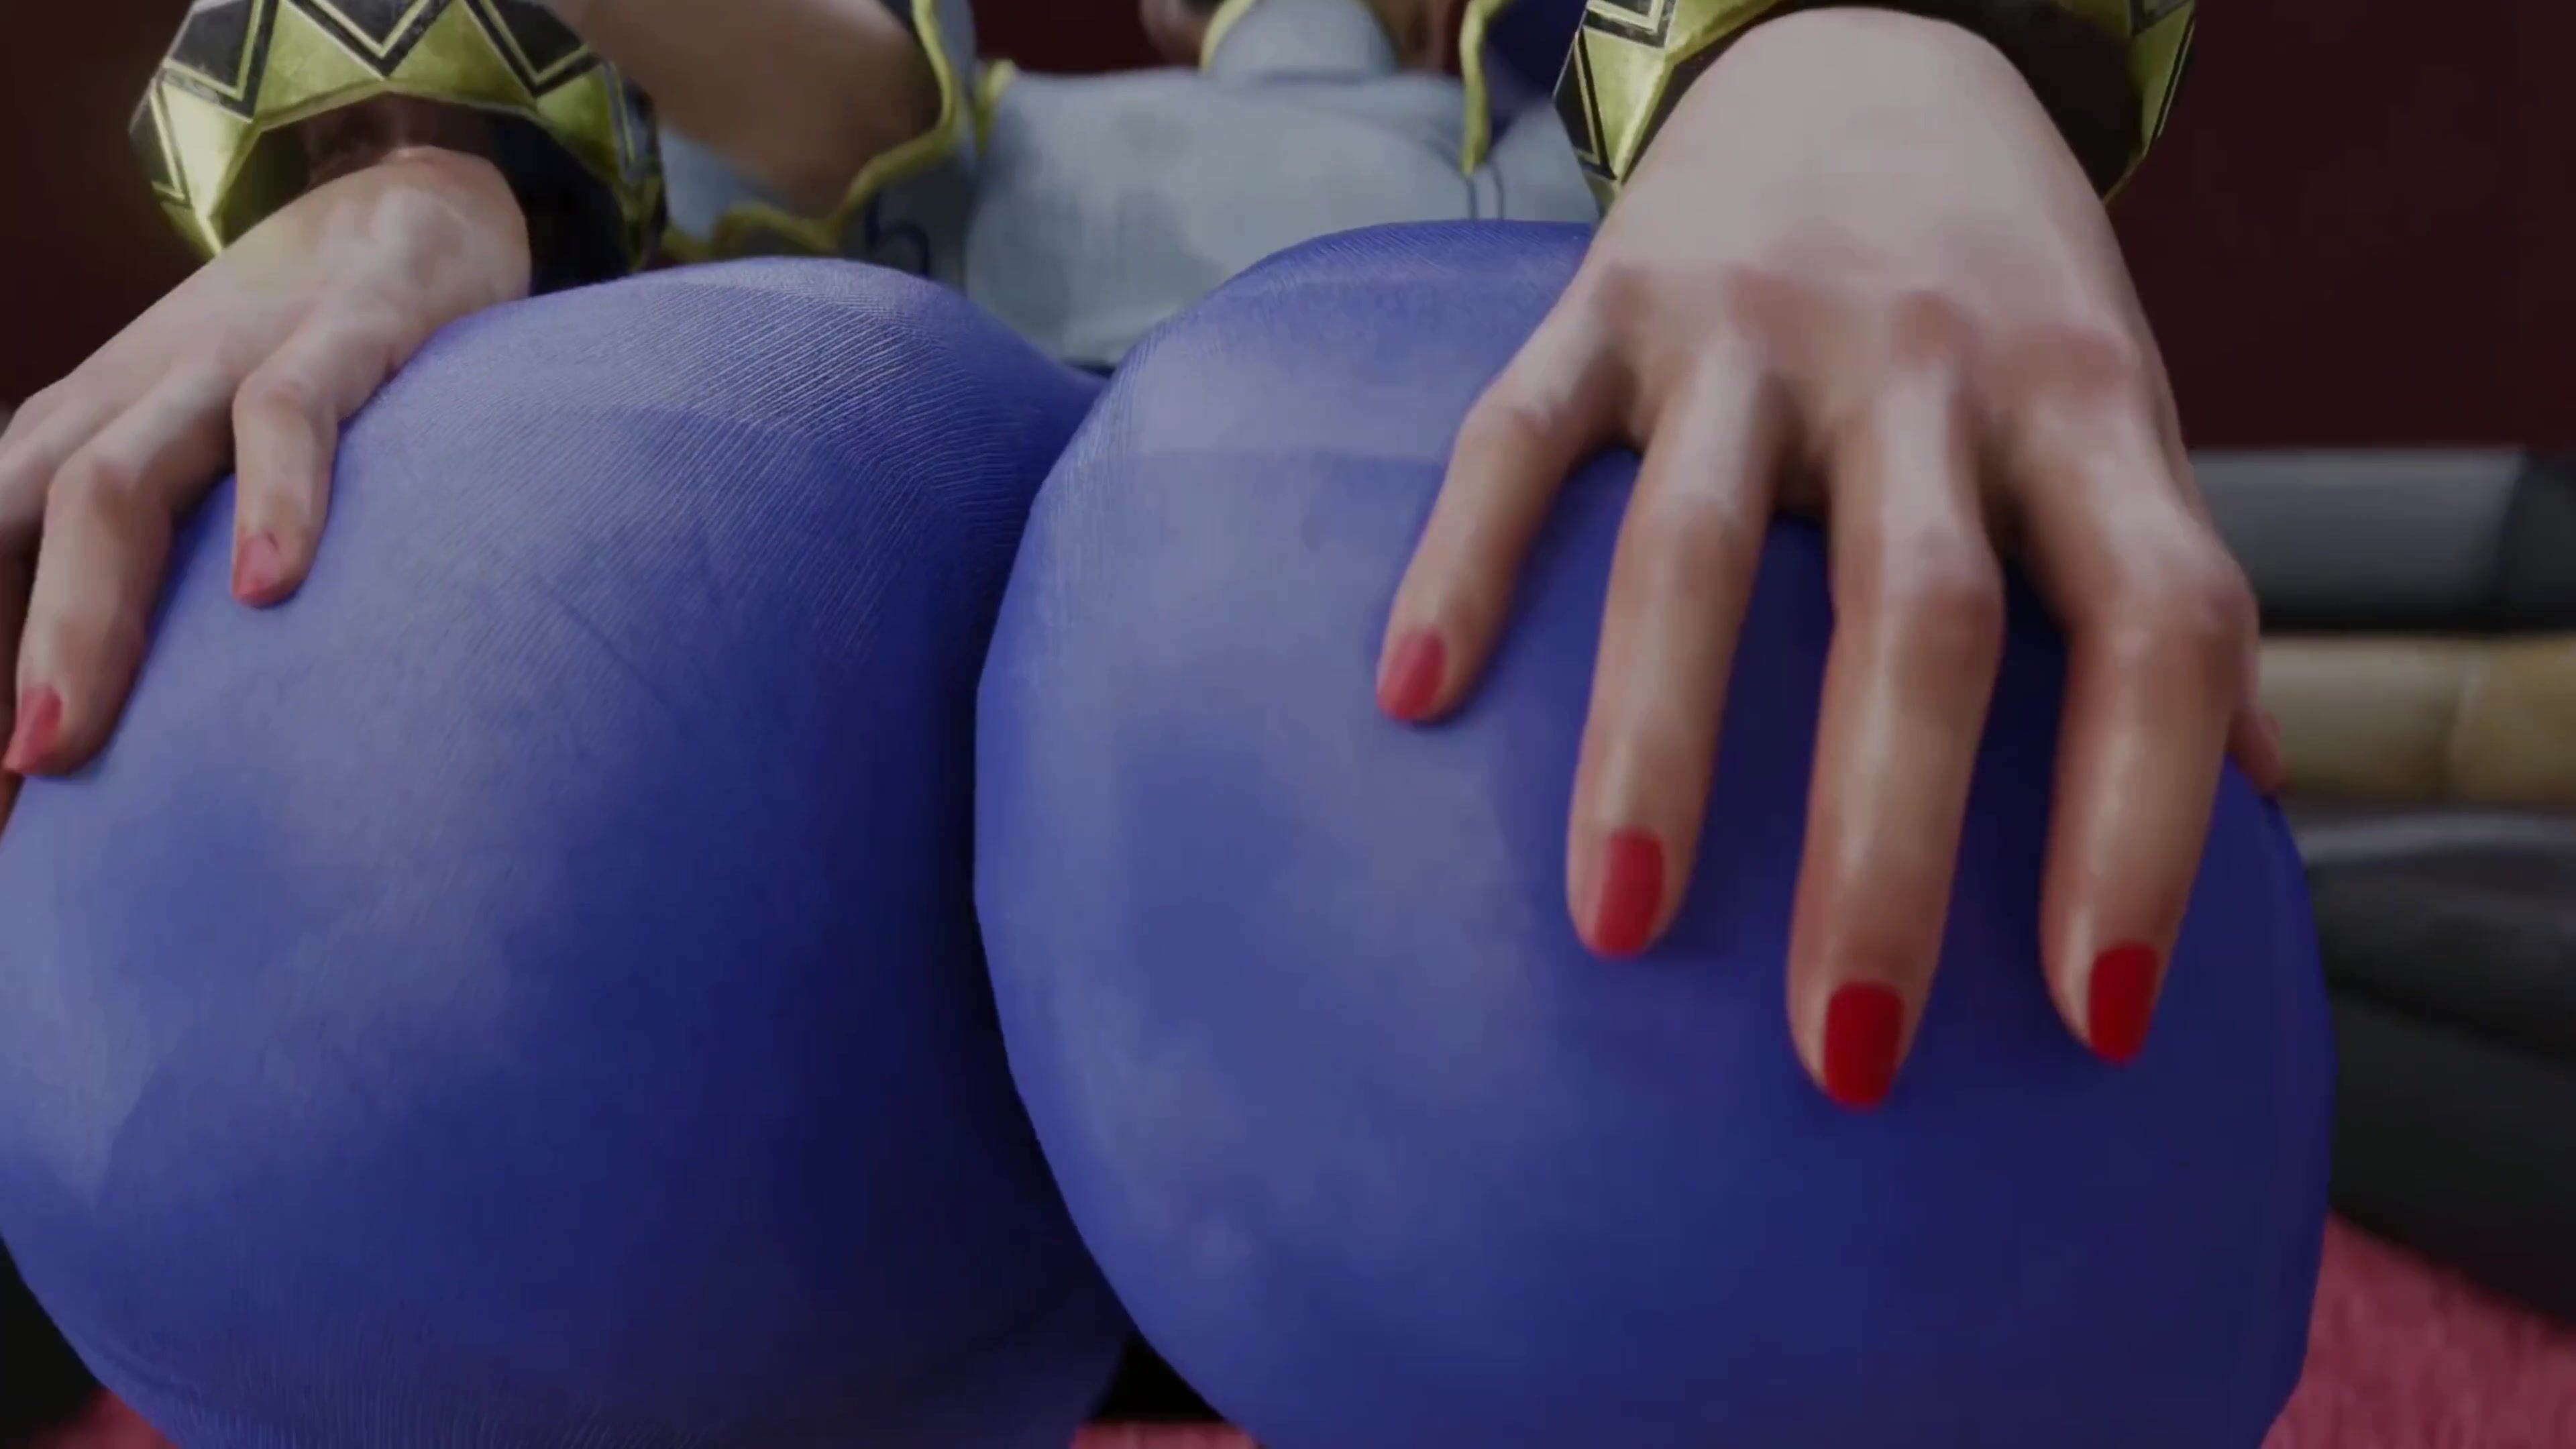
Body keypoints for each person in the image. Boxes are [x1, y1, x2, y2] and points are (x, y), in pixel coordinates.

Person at [0, 0, 2255, 1113]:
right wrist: (414, 163)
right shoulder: (936, 144)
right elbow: (778, 81)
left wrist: (1857, 53)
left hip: (1540, 968)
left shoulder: (1645, 140)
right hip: (842, 984)